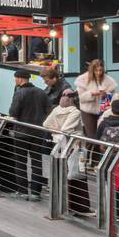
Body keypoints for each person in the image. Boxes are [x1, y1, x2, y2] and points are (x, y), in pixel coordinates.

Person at [44, 88, 91, 216]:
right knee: (78, 174)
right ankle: (80, 207)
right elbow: (66, 128)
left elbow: (46, 124)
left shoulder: (56, 110)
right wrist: (61, 129)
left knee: (64, 173)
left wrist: (56, 129)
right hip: (75, 146)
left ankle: (64, 204)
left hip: (59, 146)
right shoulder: (75, 112)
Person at [6, 69, 52, 200]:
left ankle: (23, 190)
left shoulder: (19, 93)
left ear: (19, 79)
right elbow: (49, 110)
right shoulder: (41, 92)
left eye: (15, 78)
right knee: (36, 161)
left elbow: (13, 112)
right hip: (38, 132)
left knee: (20, 161)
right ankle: (36, 192)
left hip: (21, 132)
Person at [75, 59, 117, 165]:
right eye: (96, 71)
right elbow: (81, 98)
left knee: (101, 136)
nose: (98, 73)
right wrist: (92, 94)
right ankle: (89, 160)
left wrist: (106, 95)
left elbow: (113, 96)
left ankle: (96, 162)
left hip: (103, 110)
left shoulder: (109, 81)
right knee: (91, 136)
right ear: (92, 70)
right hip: (87, 110)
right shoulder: (83, 79)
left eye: (101, 71)